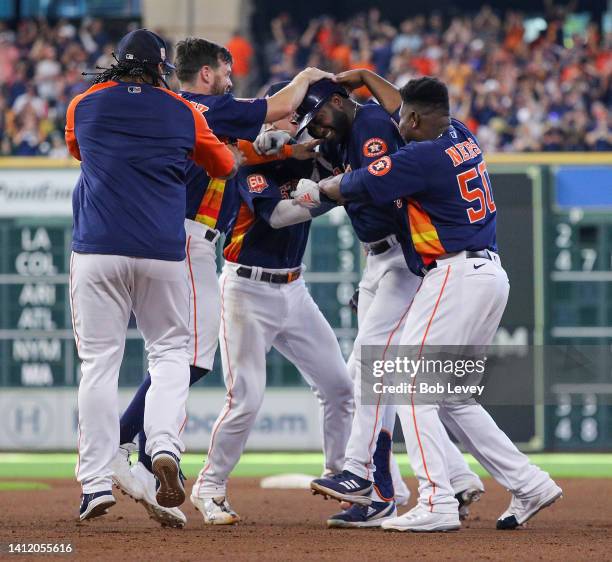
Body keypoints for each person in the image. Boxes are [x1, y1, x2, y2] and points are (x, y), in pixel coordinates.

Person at [316, 75, 562, 532]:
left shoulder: (423, 155)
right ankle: (530, 483)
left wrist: (316, 189)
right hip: (488, 276)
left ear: (414, 119)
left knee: (409, 385)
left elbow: (358, 183)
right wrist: (370, 78)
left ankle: (437, 500)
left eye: (404, 121)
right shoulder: (460, 133)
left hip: (455, 275)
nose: (398, 127)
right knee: (452, 396)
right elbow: (405, 106)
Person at [110, 37, 331, 527]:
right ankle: (126, 441)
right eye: (226, 73)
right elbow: (279, 107)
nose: (231, 82)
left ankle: (142, 452)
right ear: (207, 74)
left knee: (179, 355)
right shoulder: (210, 106)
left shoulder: (178, 110)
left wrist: (294, 147)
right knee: (188, 357)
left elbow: (245, 154)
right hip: (189, 241)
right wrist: (308, 78)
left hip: (170, 237)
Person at [291, 77, 483, 528]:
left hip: (404, 257)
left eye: (316, 115)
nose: (314, 126)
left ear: (339, 101)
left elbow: (375, 187)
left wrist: (320, 188)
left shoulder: (373, 124)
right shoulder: (361, 130)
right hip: (385, 259)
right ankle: (447, 477)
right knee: (385, 376)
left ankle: (363, 476)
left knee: (373, 368)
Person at [66, 29, 238, 522]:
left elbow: (79, 151)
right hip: (163, 250)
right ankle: (164, 447)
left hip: (97, 248)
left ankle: (96, 484)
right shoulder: (181, 110)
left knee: (99, 363)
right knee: (169, 354)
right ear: (161, 67)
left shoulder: (85, 103)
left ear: (116, 62)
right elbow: (224, 164)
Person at [190, 82, 355, 524]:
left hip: (293, 289)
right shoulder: (246, 161)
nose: (298, 122)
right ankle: (209, 486)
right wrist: (330, 194)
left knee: (340, 388)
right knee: (246, 397)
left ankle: (342, 477)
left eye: (300, 115)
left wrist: (328, 179)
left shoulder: (316, 155)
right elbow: (278, 215)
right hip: (246, 289)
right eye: (288, 115)